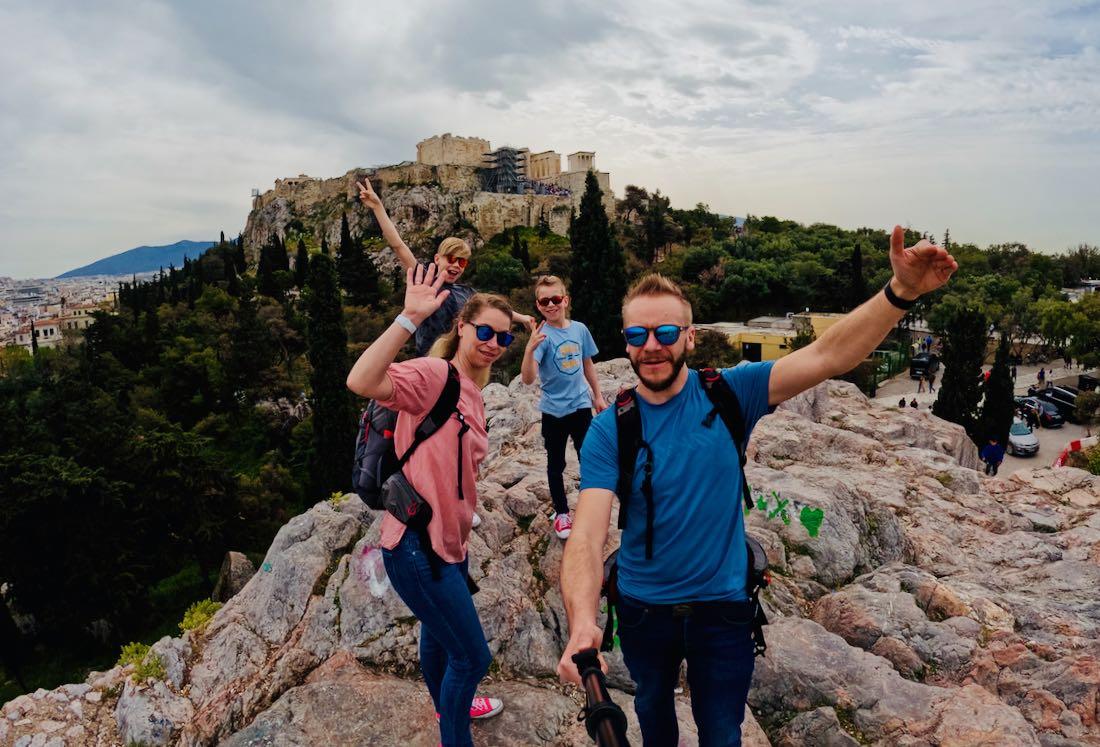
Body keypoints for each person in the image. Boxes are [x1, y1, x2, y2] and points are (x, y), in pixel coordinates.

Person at [557, 226, 957, 745]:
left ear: (690, 337)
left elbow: (828, 355)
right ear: (625, 341)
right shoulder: (612, 428)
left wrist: (899, 292)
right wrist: (583, 620)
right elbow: (586, 536)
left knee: (722, 732)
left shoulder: (731, 393)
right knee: (654, 720)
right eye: (637, 336)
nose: (651, 346)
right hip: (642, 611)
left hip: (722, 610)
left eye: (666, 333)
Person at [346, 264, 511, 745]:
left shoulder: (474, 391)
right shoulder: (434, 375)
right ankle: (454, 733)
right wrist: (408, 318)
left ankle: (448, 709)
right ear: (460, 327)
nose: (493, 344)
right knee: (473, 658)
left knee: (440, 638)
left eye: (502, 338)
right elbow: (361, 379)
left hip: (448, 545)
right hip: (417, 548)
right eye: (484, 331)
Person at [357, 177, 531, 355]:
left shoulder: (467, 292)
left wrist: (523, 318)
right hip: (429, 361)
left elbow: (494, 308)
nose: (456, 265)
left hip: (456, 362)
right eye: (451, 258)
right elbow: (398, 246)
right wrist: (378, 207)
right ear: (437, 259)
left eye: (462, 261)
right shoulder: (426, 280)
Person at [520, 275, 609, 540]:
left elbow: (588, 363)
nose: (551, 305)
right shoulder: (541, 337)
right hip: (554, 411)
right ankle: (561, 513)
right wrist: (528, 350)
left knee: (589, 457)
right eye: (545, 301)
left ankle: (592, 507)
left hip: (581, 406)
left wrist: (598, 396)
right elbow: (528, 378)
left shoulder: (580, 329)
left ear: (566, 300)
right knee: (555, 463)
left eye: (556, 299)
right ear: (538, 305)